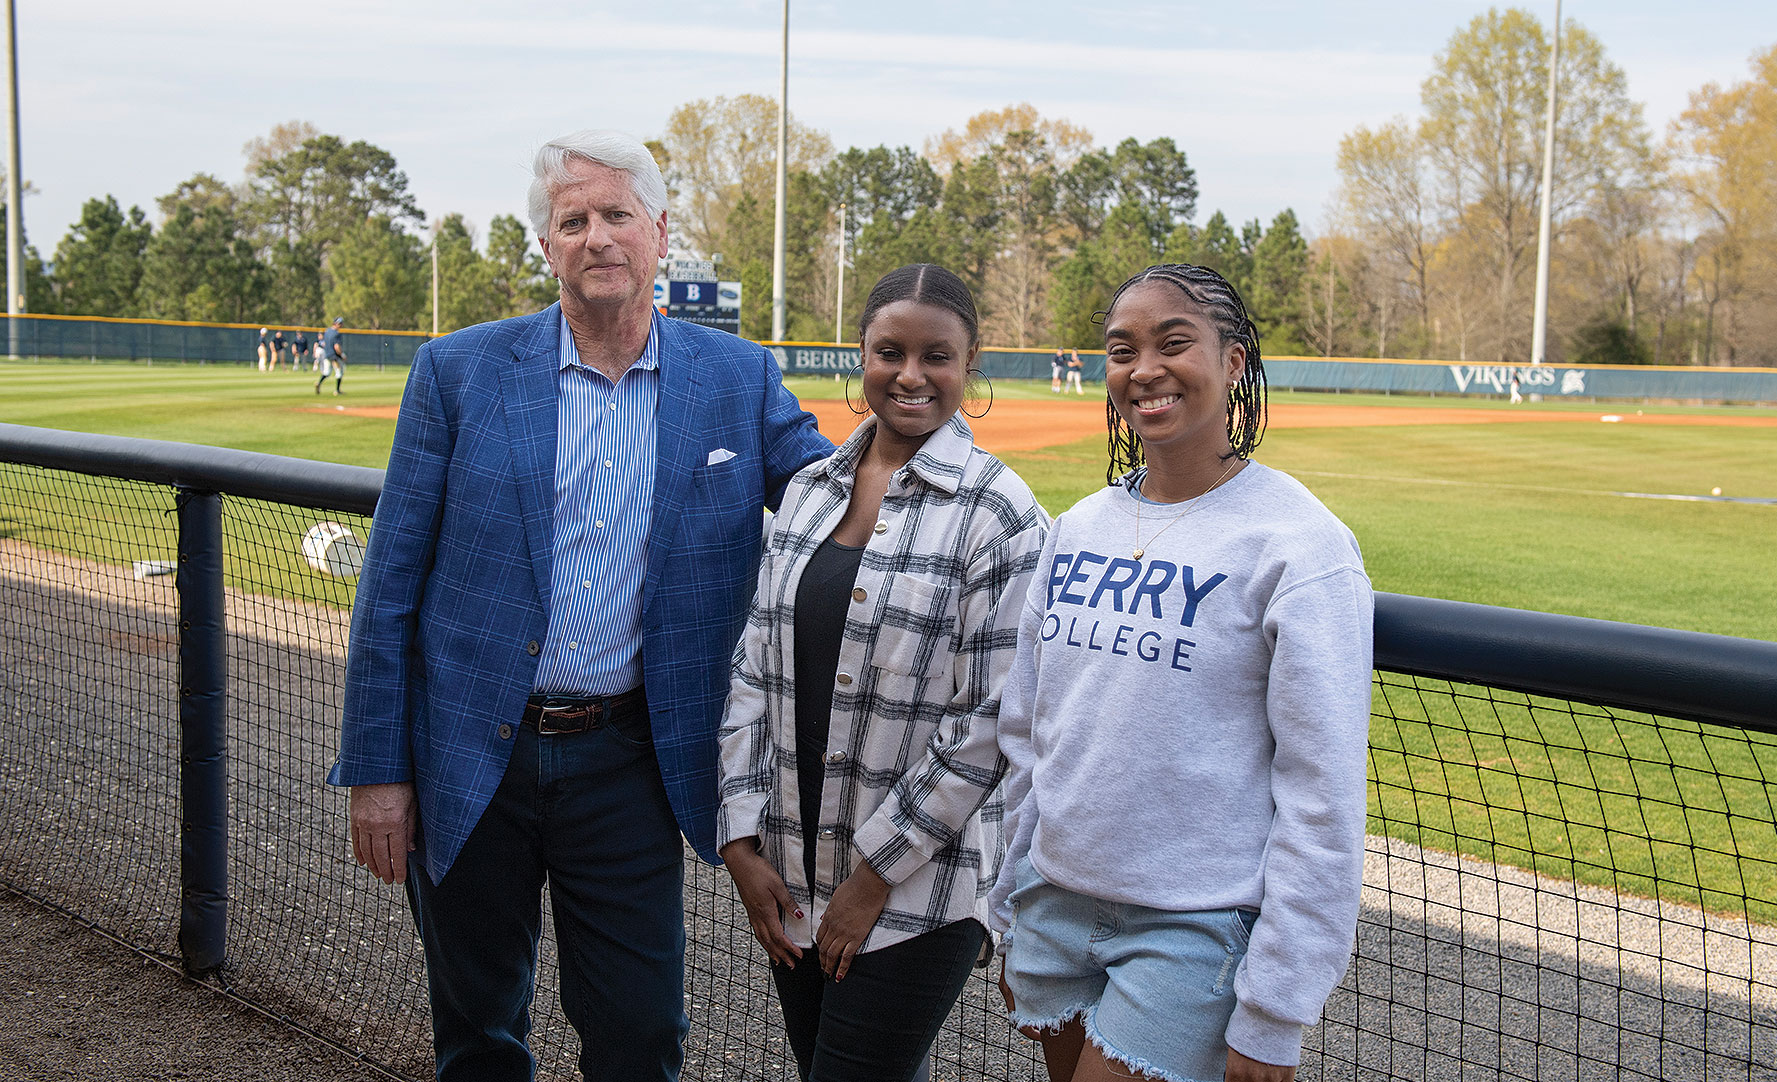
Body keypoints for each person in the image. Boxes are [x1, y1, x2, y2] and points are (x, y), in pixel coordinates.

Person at [329, 129, 831, 1082]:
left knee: (640, 1033)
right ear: (547, 244)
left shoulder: (735, 378)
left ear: (659, 233)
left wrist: (955, 496)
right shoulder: (459, 372)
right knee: (479, 1030)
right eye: (573, 220)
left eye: (616, 215)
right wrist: (377, 769)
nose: (596, 236)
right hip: (473, 751)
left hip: (631, 758)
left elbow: (824, 489)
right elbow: (389, 586)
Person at [988, 264, 1372, 1082]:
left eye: (1174, 343)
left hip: (1195, 927)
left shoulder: (1299, 545)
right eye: (1122, 350)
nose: (1144, 369)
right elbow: (1030, 730)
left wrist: (1275, 1007)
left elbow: (1322, 794)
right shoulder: (1081, 526)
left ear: (1233, 362)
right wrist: (1010, 899)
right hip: (1054, 901)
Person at [718, 264, 1048, 1082]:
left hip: (919, 894)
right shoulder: (805, 492)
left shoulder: (1001, 513)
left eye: (937, 355)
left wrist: (870, 880)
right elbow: (755, 670)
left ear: (970, 368)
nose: (911, 374)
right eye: (889, 351)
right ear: (859, 358)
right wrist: (738, 837)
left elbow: (989, 722)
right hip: (791, 879)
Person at [313, 318, 348, 395]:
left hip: (327, 354)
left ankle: (319, 383)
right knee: (339, 372)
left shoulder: (327, 331)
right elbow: (336, 346)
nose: (341, 325)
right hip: (334, 356)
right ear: (336, 324)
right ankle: (337, 390)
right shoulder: (336, 333)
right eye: (340, 324)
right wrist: (342, 355)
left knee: (326, 372)